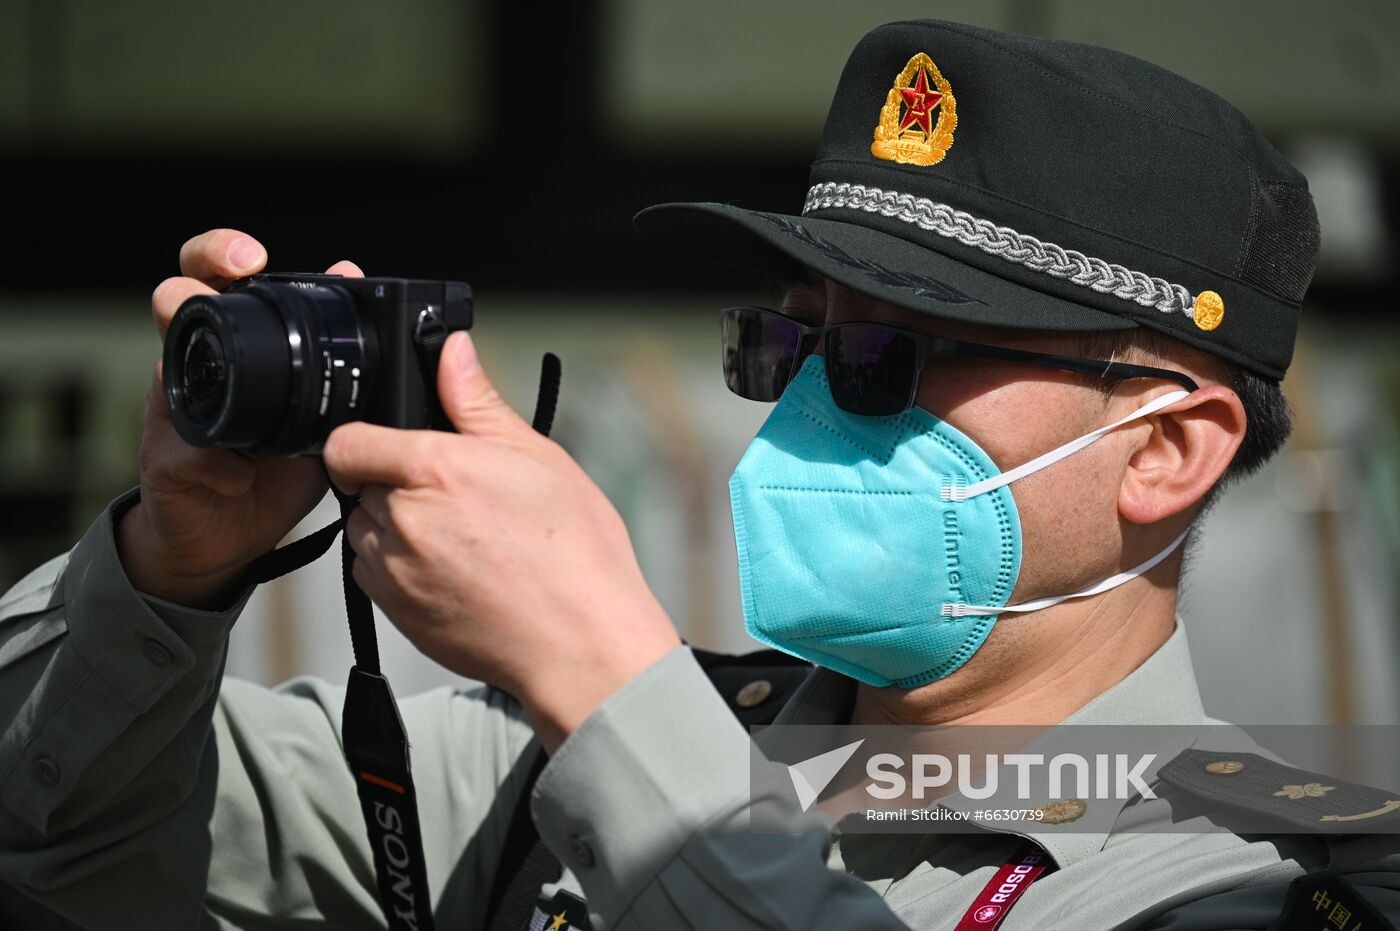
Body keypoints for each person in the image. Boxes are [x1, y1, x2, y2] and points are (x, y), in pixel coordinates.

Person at [2, 17, 1397, 931]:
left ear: (1164, 447)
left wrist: (610, 689)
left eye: (890, 360)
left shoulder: (1259, 883)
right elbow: (66, 844)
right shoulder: (545, 763)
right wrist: (168, 566)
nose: (804, 404)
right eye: (793, 342)